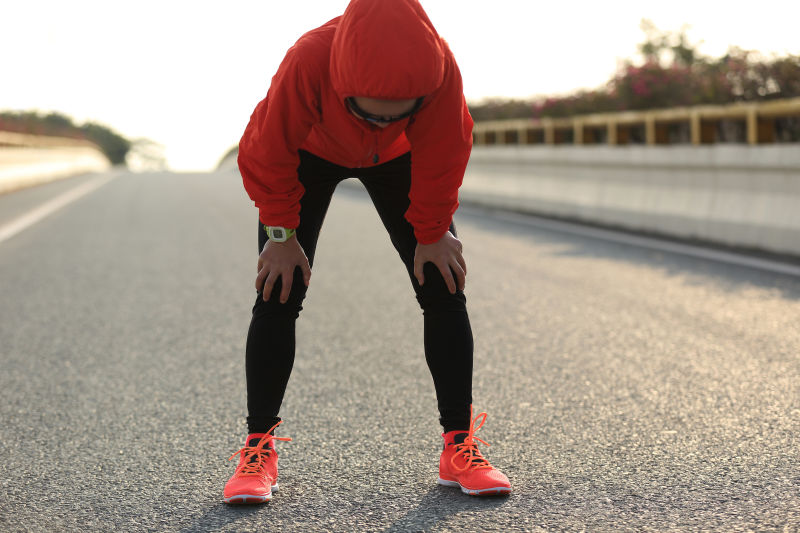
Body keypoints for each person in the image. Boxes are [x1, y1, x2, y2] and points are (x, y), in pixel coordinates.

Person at [223, 0, 511, 504]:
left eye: (395, 115)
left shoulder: (437, 66)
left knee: (443, 281)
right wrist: (280, 237)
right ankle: (257, 451)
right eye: (367, 113)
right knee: (278, 291)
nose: (379, 123)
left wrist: (433, 228)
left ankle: (459, 445)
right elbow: (268, 151)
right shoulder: (309, 58)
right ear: (343, 84)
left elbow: (445, 148)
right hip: (310, 152)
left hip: (399, 161)